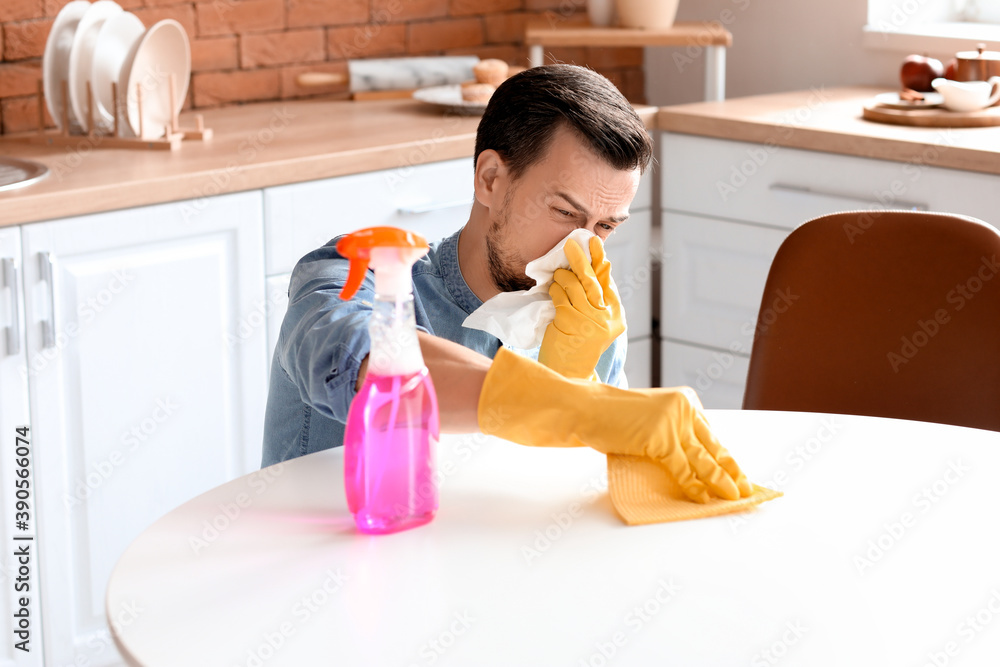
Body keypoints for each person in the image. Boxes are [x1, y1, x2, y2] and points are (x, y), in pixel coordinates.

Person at [262, 64, 752, 503]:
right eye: (564, 212)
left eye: (606, 227)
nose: (580, 248)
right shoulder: (360, 273)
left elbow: (571, 501)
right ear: (491, 179)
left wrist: (578, 379)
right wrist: (577, 404)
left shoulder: (586, 313)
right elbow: (351, 356)